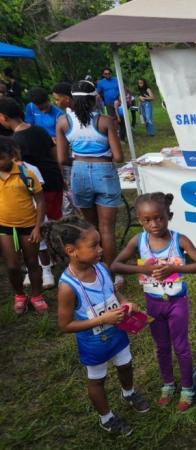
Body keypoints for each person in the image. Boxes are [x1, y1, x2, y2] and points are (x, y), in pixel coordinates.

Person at [42, 216, 149, 436]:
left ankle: (128, 393)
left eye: (99, 243)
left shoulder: (100, 267)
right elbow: (65, 324)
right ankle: (106, 418)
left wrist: (125, 302)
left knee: (126, 364)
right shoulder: (67, 287)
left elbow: (113, 291)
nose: (100, 249)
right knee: (97, 379)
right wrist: (102, 320)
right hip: (94, 343)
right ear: (72, 251)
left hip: (117, 333)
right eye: (94, 245)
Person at [111, 192, 196, 411]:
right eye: (147, 220)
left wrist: (175, 268)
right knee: (162, 346)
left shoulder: (179, 239)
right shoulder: (139, 240)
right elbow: (115, 265)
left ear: (169, 216)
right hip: (153, 303)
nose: (154, 224)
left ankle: (187, 387)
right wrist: (144, 269)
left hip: (177, 302)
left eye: (159, 218)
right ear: (139, 220)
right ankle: (168, 384)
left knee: (181, 346)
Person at [55, 80, 124, 275]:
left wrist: (80, 161)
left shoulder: (63, 122)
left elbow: (61, 158)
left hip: (79, 173)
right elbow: (119, 157)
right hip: (105, 171)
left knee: (90, 227)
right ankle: (112, 273)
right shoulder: (104, 121)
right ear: (95, 99)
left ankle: (95, 271)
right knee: (107, 229)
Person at [0, 97, 64, 288]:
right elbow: (54, 155)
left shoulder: (11, 144)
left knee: (42, 229)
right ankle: (48, 263)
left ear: (3, 117)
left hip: (33, 191)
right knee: (49, 225)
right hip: (52, 182)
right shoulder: (39, 130)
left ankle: (45, 268)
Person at [0, 137, 47, 314]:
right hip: (4, 227)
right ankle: (19, 295)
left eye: (1, 158)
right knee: (12, 266)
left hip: (28, 225)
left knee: (32, 262)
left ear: (11, 155)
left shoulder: (26, 174)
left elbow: (40, 201)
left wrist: (37, 227)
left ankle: (36, 295)